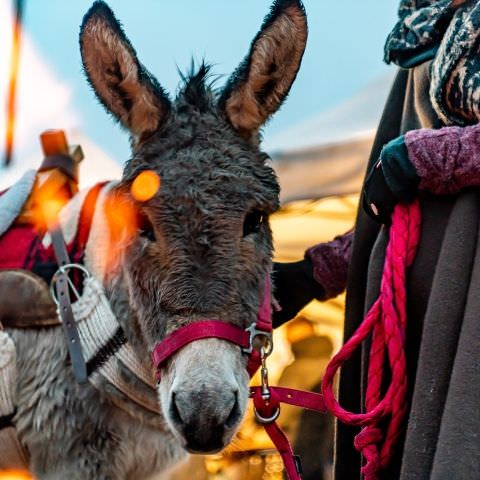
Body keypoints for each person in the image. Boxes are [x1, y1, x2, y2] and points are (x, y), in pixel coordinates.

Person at [272, 1, 480, 478]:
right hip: (422, 329)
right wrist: (314, 273)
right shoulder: (423, 24)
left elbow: (418, 161)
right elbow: (403, 203)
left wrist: (437, 158)